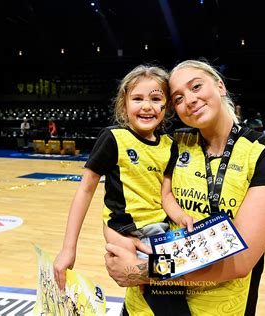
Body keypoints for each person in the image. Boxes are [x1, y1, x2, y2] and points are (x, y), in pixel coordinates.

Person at [104, 60, 265, 315]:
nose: (190, 99)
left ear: (220, 86)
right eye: (178, 98)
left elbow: (240, 261)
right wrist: (121, 247)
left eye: (196, 86)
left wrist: (143, 270)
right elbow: (123, 201)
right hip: (144, 305)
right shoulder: (174, 143)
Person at [53, 65, 193, 315]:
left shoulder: (171, 146)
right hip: (123, 229)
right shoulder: (113, 138)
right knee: (165, 295)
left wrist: (182, 217)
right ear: (123, 104)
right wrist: (68, 248)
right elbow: (85, 191)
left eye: (156, 98)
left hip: (159, 230)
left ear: (166, 107)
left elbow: (166, 195)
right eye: (137, 98)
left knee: (169, 281)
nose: (147, 106)